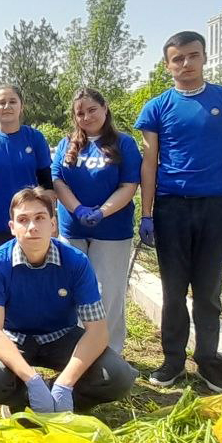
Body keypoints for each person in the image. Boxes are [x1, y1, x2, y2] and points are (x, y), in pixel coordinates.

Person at [135, 31, 222, 389]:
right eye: (178, 58)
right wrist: (146, 212)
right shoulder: (157, 107)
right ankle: (172, 360)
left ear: (204, 57)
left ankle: (207, 359)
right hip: (171, 208)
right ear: (167, 64)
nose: (185, 64)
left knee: (208, 292)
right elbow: (149, 162)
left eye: (192, 56)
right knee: (173, 292)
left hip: (213, 207)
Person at [0, 187, 136, 413]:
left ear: (53, 224)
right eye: (23, 220)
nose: (32, 227)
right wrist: (32, 380)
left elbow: (97, 330)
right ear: (12, 228)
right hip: (14, 338)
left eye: (40, 218)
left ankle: (65, 398)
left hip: (61, 336)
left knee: (117, 376)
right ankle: (22, 400)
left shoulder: (76, 262)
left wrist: (65, 383)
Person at [51, 88, 141, 353]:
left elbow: (129, 184)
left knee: (109, 293)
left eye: (92, 110)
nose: (87, 116)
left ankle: (110, 350)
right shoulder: (67, 144)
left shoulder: (124, 143)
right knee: (73, 289)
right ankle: (78, 348)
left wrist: (102, 211)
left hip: (112, 230)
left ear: (105, 108)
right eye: (80, 112)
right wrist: (77, 209)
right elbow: (57, 180)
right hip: (73, 229)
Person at [0, 85, 53, 252]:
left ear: (21, 106)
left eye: (13, 101)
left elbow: (47, 186)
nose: (7, 106)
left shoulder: (35, 138)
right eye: (2, 102)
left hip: (31, 224)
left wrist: (50, 220)